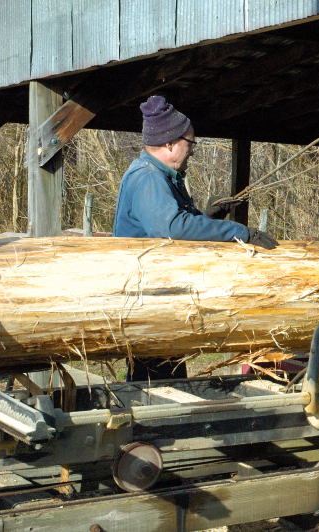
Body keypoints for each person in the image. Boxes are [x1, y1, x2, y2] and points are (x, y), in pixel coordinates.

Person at [114, 95, 277, 380]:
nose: (192, 151)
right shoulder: (148, 177)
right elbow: (174, 228)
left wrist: (209, 217)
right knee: (154, 381)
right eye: (190, 144)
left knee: (165, 375)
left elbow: (172, 228)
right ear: (169, 143)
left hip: (158, 298)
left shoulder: (160, 176)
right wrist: (241, 232)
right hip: (147, 301)